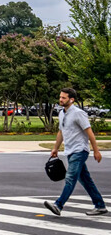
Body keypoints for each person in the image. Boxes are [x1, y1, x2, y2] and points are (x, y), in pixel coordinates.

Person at [44, 88, 107, 216]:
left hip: (80, 150)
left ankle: (58, 205)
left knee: (70, 178)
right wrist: (55, 148)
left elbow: (89, 132)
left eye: (63, 98)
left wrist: (96, 151)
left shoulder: (78, 113)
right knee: (85, 179)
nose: (60, 99)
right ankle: (100, 205)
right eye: (60, 97)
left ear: (71, 99)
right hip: (70, 151)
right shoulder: (62, 113)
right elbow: (61, 132)